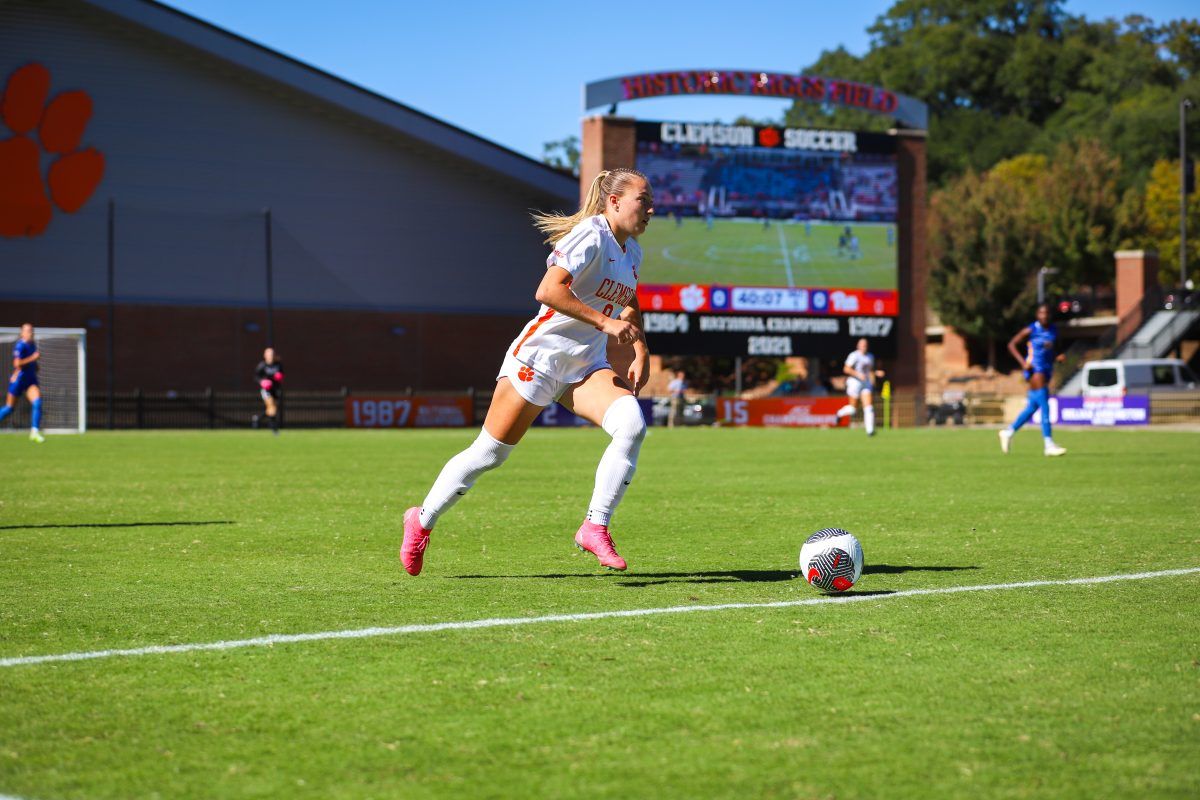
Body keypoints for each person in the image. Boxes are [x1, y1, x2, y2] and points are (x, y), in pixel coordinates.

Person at [400, 168, 654, 575]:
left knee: (631, 426)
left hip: (585, 366)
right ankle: (422, 519)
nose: (651, 209)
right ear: (615, 201)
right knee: (488, 454)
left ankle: (595, 525)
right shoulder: (591, 235)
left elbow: (627, 302)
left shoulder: (633, 252)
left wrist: (640, 349)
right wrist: (606, 325)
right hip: (539, 358)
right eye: (644, 199)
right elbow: (548, 291)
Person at [1000, 303, 1067, 456]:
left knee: (1032, 407)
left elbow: (1054, 349)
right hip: (1036, 370)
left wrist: (1058, 356)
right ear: (1037, 315)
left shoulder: (1053, 330)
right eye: (1041, 313)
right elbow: (1012, 344)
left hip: (1047, 369)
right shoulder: (1031, 329)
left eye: (1046, 313)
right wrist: (1023, 363)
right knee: (1045, 406)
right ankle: (1048, 444)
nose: (1044, 316)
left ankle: (1008, 432)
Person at [0, 323, 44, 442]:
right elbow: (17, 364)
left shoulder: (33, 345)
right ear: (22, 333)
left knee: (37, 402)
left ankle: (34, 432)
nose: (31, 333)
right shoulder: (20, 345)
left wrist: (36, 365)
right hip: (19, 380)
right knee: (9, 408)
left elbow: (33, 363)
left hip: (30, 380)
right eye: (28, 331)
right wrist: (33, 358)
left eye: (32, 330)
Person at [835, 338, 884, 436]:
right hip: (855, 382)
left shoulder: (870, 356)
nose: (864, 347)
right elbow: (846, 369)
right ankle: (839, 413)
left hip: (865, 383)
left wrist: (876, 373)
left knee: (868, 407)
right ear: (858, 346)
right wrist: (857, 374)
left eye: (865, 345)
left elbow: (869, 371)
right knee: (853, 409)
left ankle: (870, 430)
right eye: (862, 345)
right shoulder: (854, 355)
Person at [254, 347, 284, 435]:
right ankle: (274, 429)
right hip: (266, 389)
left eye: (272, 354)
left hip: (275, 389)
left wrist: (279, 376)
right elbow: (256, 377)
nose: (271, 356)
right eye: (269, 354)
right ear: (265, 355)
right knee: (272, 407)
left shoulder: (278, 364)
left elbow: (282, 374)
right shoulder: (262, 366)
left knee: (271, 409)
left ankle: (257, 419)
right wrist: (262, 382)